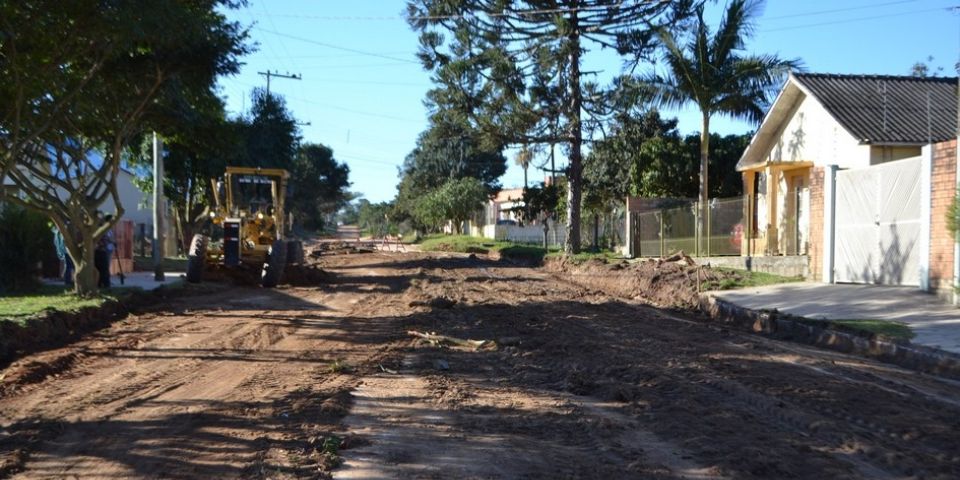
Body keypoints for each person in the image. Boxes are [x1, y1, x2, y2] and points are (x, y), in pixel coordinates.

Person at [95, 214, 115, 288]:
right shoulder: (100, 230)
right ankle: (103, 283)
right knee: (103, 268)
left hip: (103, 250)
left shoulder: (104, 229)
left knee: (104, 268)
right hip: (100, 250)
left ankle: (103, 283)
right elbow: (104, 240)